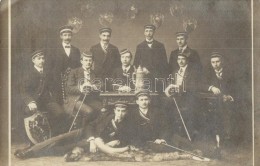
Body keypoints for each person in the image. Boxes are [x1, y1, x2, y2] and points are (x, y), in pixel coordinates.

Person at [64, 100, 135, 162]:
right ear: (114, 110)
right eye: (118, 110)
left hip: (103, 144)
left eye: (123, 111)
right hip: (91, 138)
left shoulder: (128, 123)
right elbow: (90, 126)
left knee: (66, 149)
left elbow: (128, 138)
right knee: (61, 143)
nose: (120, 113)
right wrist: (92, 140)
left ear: (126, 112)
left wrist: (117, 142)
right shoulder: (106, 116)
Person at [20, 50, 68, 137]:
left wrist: (54, 100)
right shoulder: (28, 73)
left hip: (46, 101)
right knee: (28, 113)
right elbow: (23, 91)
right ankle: (32, 140)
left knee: (60, 113)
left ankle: (53, 136)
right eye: (39, 59)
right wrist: (30, 102)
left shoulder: (48, 72)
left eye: (43, 58)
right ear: (33, 60)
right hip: (33, 101)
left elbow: (53, 88)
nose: (41, 61)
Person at [164, 52, 201, 141]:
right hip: (176, 97)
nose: (180, 61)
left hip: (188, 97)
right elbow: (171, 83)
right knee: (165, 105)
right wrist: (168, 89)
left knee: (187, 112)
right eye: (179, 59)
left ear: (187, 60)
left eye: (183, 59)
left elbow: (193, 86)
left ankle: (187, 136)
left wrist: (178, 87)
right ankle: (171, 134)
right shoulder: (175, 72)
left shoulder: (193, 72)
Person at [202, 52, 236, 143]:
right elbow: (201, 84)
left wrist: (229, 96)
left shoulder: (230, 72)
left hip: (228, 100)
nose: (215, 64)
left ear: (222, 62)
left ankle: (228, 137)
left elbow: (236, 87)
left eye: (217, 62)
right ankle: (215, 137)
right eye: (213, 62)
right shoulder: (207, 72)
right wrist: (211, 87)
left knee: (227, 112)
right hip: (213, 101)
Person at [66, 51, 103, 129]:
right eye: (86, 60)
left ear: (92, 62)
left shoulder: (94, 73)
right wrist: (81, 88)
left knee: (102, 110)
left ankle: (94, 130)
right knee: (89, 111)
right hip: (76, 99)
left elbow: (100, 85)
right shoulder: (74, 72)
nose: (88, 62)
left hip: (90, 99)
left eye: (90, 60)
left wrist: (93, 86)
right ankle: (82, 132)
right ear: (81, 61)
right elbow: (69, 88)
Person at [133, 24, 168, 92]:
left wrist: (160, 76)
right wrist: (142, 69)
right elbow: (136, 63)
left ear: (154, 32)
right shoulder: (140, 46)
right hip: (145, 78)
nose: (148, 33)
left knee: (157, 98)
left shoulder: (160, 46)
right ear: (144, 33)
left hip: (157, 77)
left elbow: (165, 64)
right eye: (147, 31)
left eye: (150, 31)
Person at [52, 25, 81, 105]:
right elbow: (50, 67)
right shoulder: (54, 50)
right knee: (59, 104)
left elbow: (78, 67)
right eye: (65, 35)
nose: (67, 37)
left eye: (69, 35)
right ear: (61, 36)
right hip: (58, 82)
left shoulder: (76, 50)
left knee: (72, 104)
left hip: (72, 83)